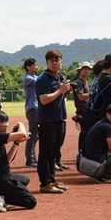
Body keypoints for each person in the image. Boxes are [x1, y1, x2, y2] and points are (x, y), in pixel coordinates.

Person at [34, 49, 72, 194]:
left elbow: (60, 95)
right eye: (52, 61)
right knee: (46, 152)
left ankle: (52, 179)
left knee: (55, 151)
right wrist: (60, 91)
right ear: (47, 62)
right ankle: (45, 183)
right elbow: (44, 100)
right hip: (47, 120)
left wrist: (66, 90)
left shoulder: (60, 76)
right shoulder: (42, 79)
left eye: (58, 60)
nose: (56, 63)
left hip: (60, 118)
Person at [21, 58, 40, 168]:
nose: (36, 67)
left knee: (36, 134)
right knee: (33, 134)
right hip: (32, 108)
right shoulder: (28, 78)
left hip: (37, 108)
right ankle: (30, 159)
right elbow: (40, 82)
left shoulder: (35, 77)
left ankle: (32, 158)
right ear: (28, 67)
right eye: (34, 65)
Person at [71, 61, 92, 157]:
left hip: (87, 110)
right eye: (84, 69)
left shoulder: (86, 81)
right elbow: (81, 97)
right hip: (83, 111)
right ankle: (81, 153)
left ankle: (84, 152)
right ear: (80, 70)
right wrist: (93, 94)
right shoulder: (78, 82)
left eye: (88, 69)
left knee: (87, 132)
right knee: (84, 133)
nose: (86, 71)